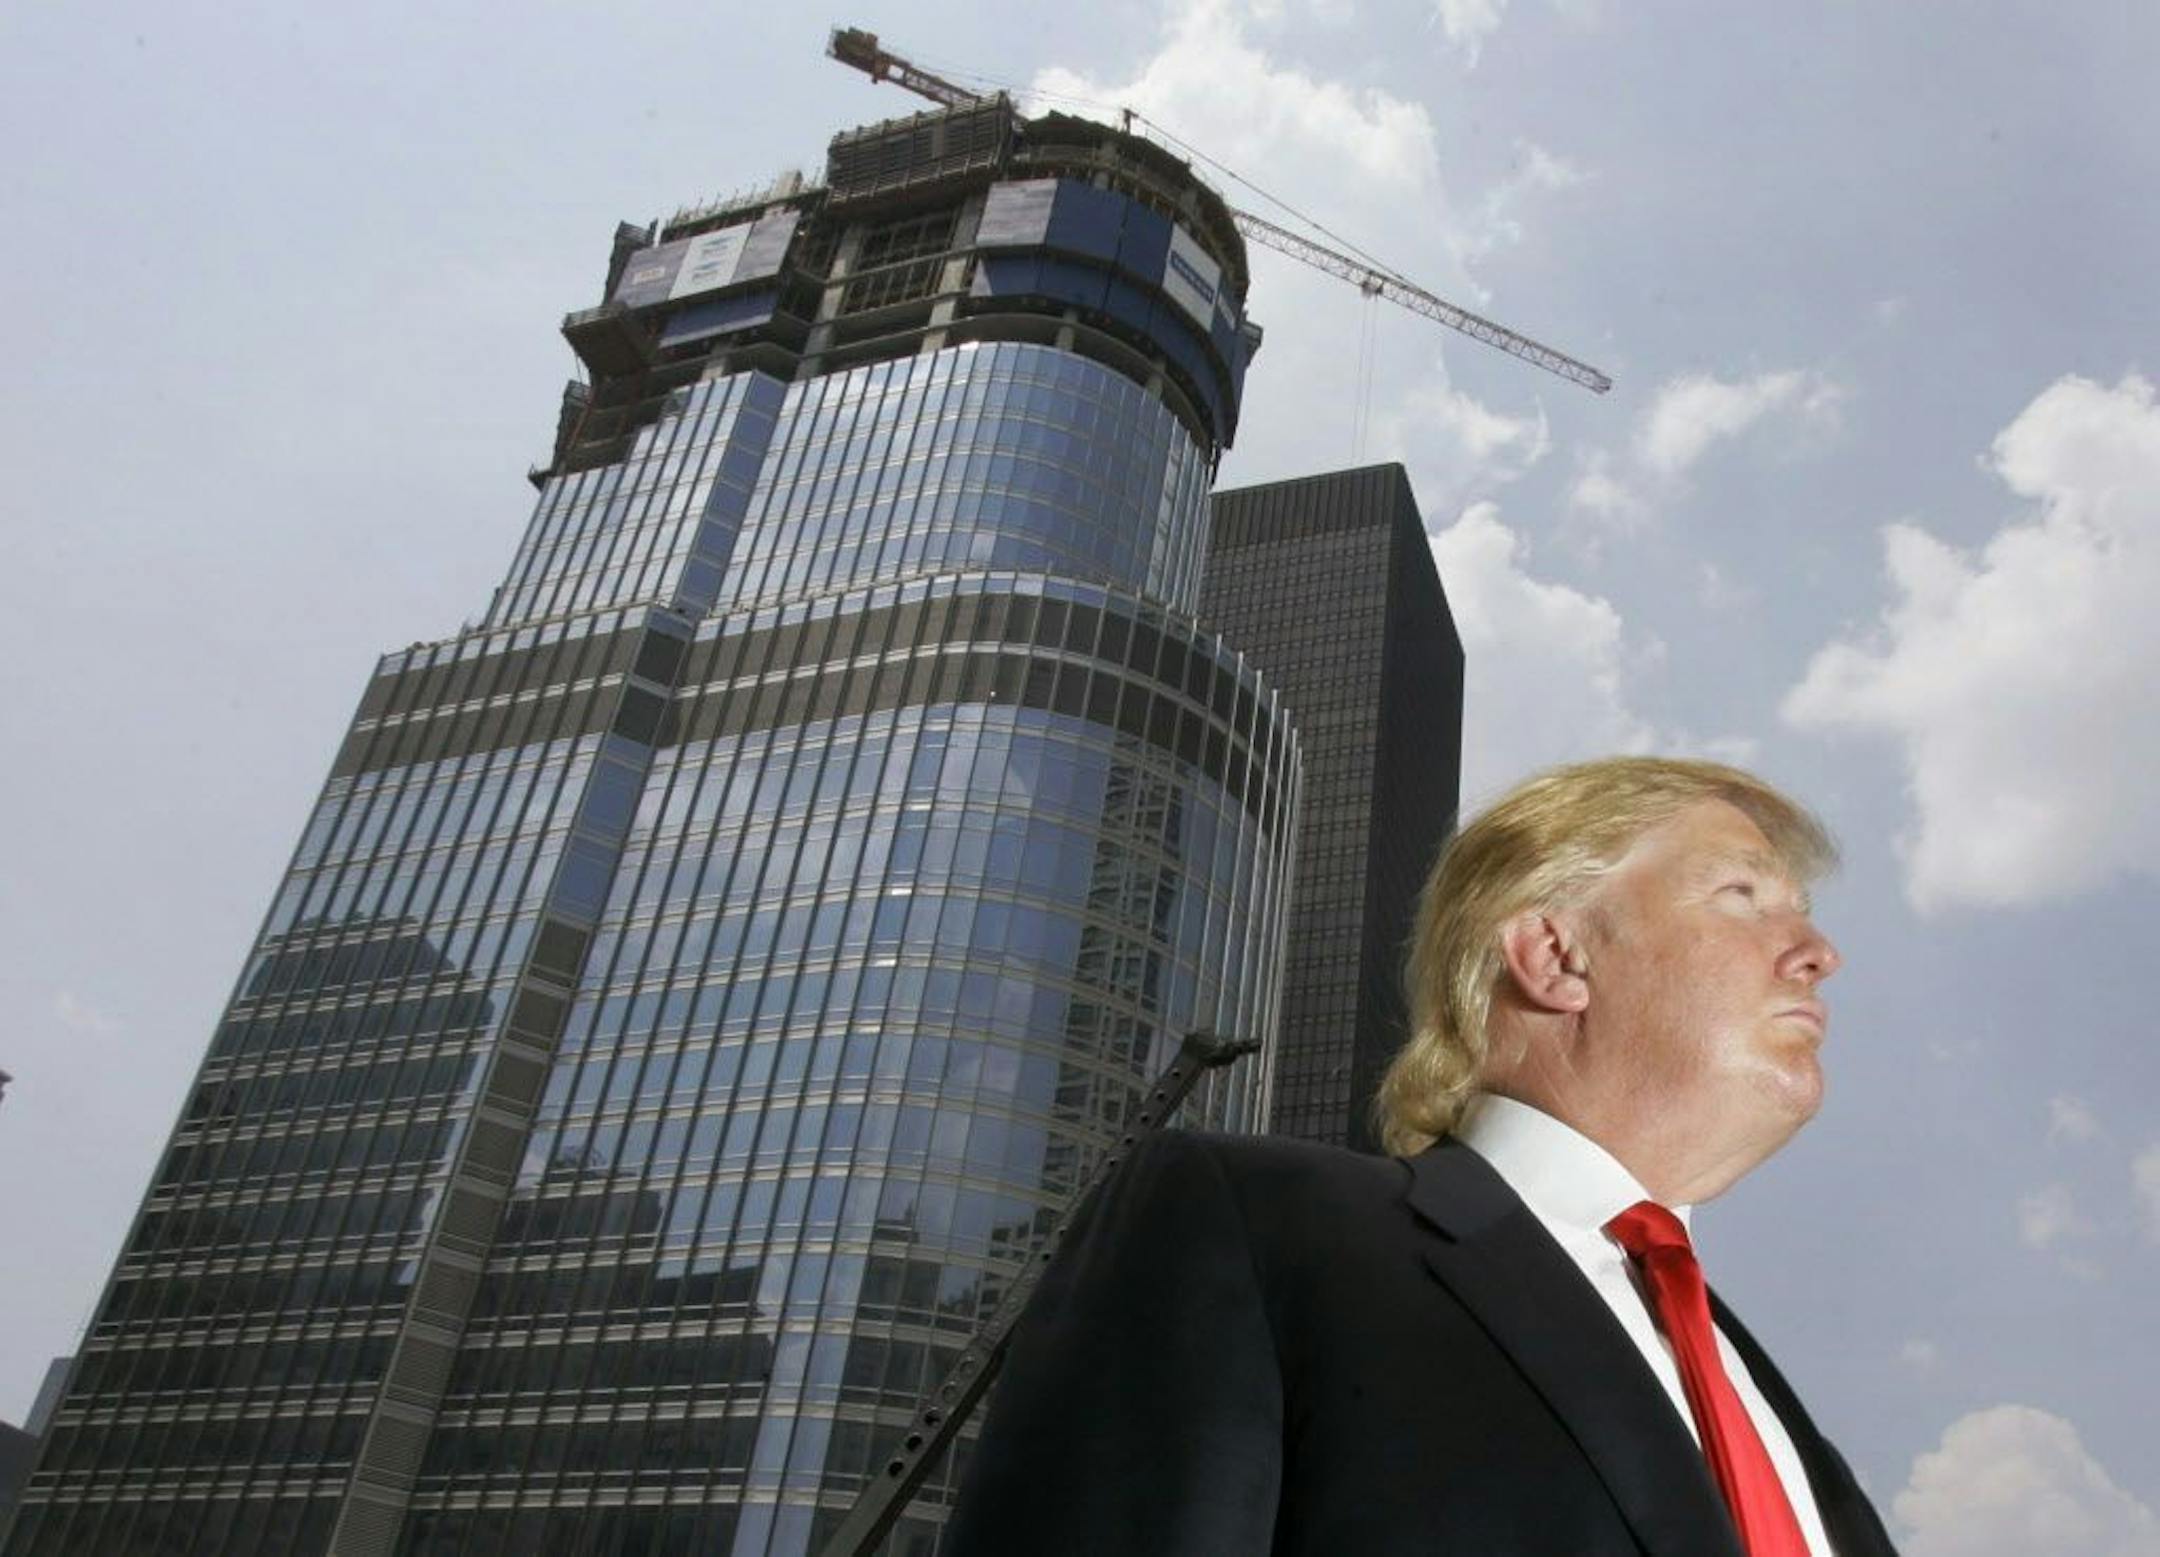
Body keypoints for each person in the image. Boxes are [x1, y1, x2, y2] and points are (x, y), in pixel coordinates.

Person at [944, 756, 1899, 1555]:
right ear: (1556, 956)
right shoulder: (1255, 1226)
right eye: (1743, 894)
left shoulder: (1760, 1390)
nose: (1818, 952)